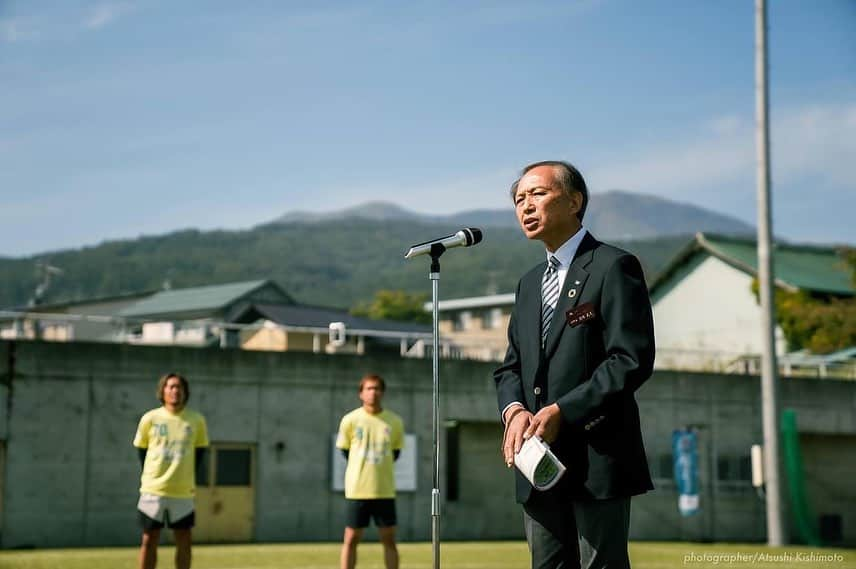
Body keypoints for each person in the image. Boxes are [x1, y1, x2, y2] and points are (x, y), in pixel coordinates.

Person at [494, 161, 655, 569]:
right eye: (518, 199)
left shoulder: (613, 266)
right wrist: (513, 412)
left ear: (574, 201)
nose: (525, 206)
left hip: (596, 457)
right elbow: (510, 366)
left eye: (537, 194)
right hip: (537, 460)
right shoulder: (529, 283)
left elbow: (630, 360)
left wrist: (563, 411)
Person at [133, 373, 209, 569]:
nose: (175, 391)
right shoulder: (150, 418)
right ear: (163, 391)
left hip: (182, 492)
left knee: (184, 539)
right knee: (149, 538)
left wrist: (183, 476)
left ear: (185, 392)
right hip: (153, 490)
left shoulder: (196, 420)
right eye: (171, 387)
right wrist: (154, 476)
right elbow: (141, 451)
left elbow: (200, 453)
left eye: (179, 387)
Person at [336, 373, 405, 569]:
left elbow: (396, 453)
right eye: (368, 388)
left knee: (389, 539)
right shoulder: (350, 420)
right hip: (357, 489)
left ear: (382, 392)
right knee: (350, 538)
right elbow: (345, 451)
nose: (373, 393)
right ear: (361, 393)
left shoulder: (395, 421)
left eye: (376, 388)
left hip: (384, 490)